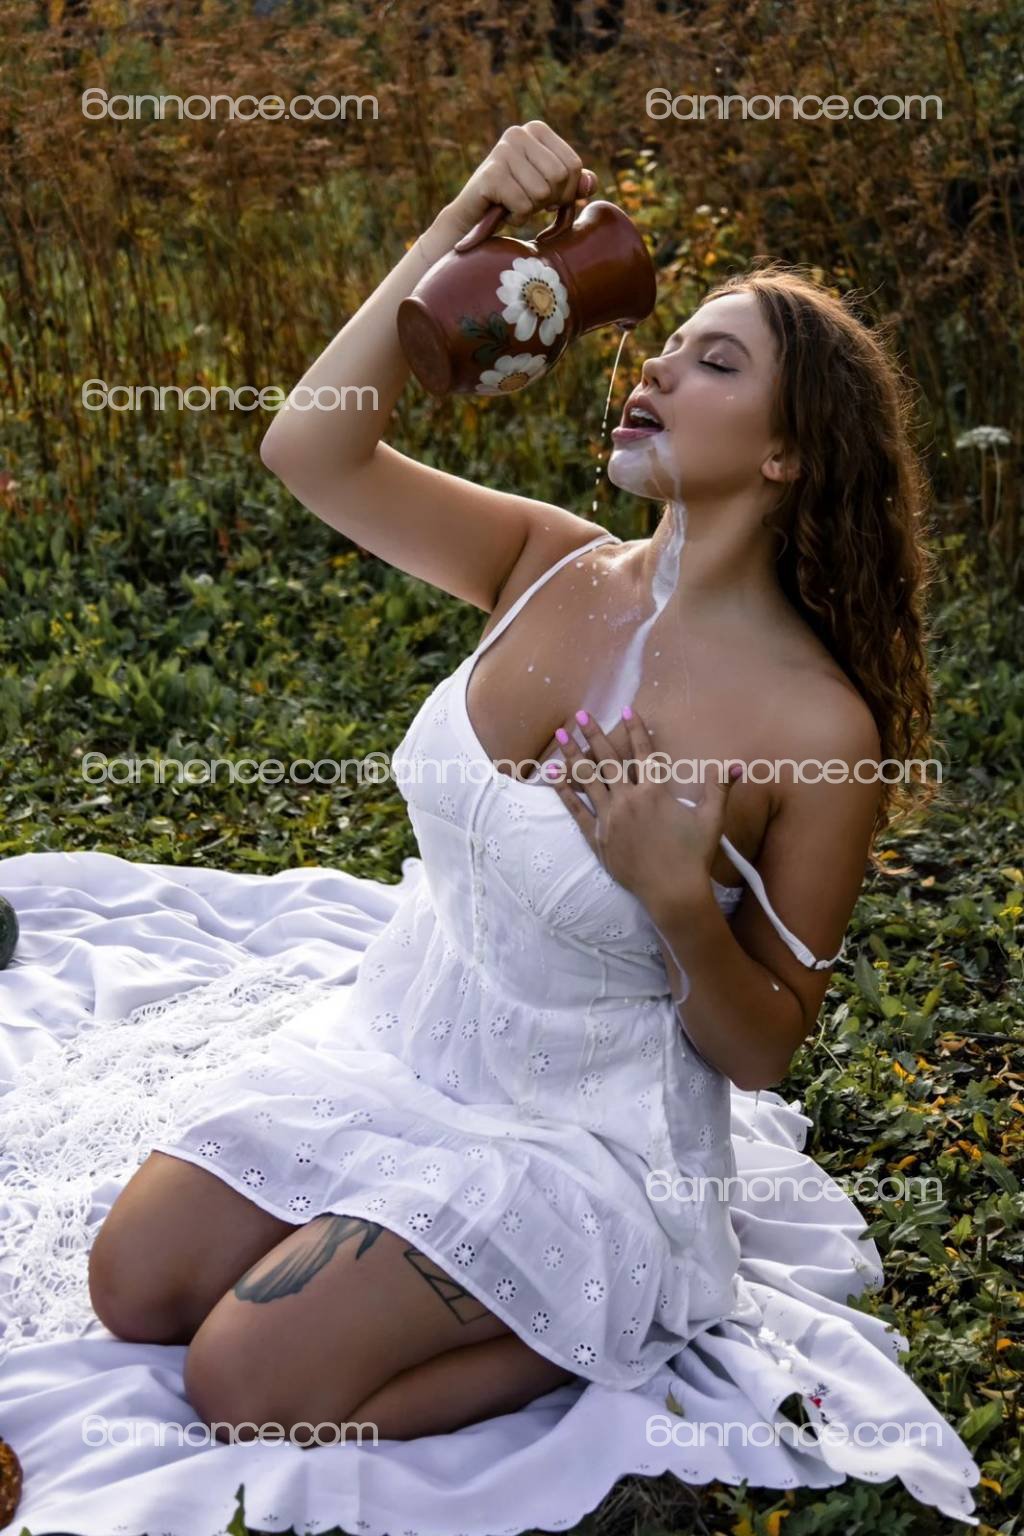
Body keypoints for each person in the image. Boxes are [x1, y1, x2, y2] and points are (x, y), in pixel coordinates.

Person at [85, 121, 978, 1520]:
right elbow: (308, 447)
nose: (656, 370)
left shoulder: (820, 732)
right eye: (665, 346)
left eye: (714, 363)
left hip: (582, 1143)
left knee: (245, 1380)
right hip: (403, 1044)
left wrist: (679, 902)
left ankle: (623, 1320)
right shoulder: (544, 563)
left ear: (791, 455)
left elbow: (763, 1044)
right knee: (132, 1286)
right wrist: (466, 223)